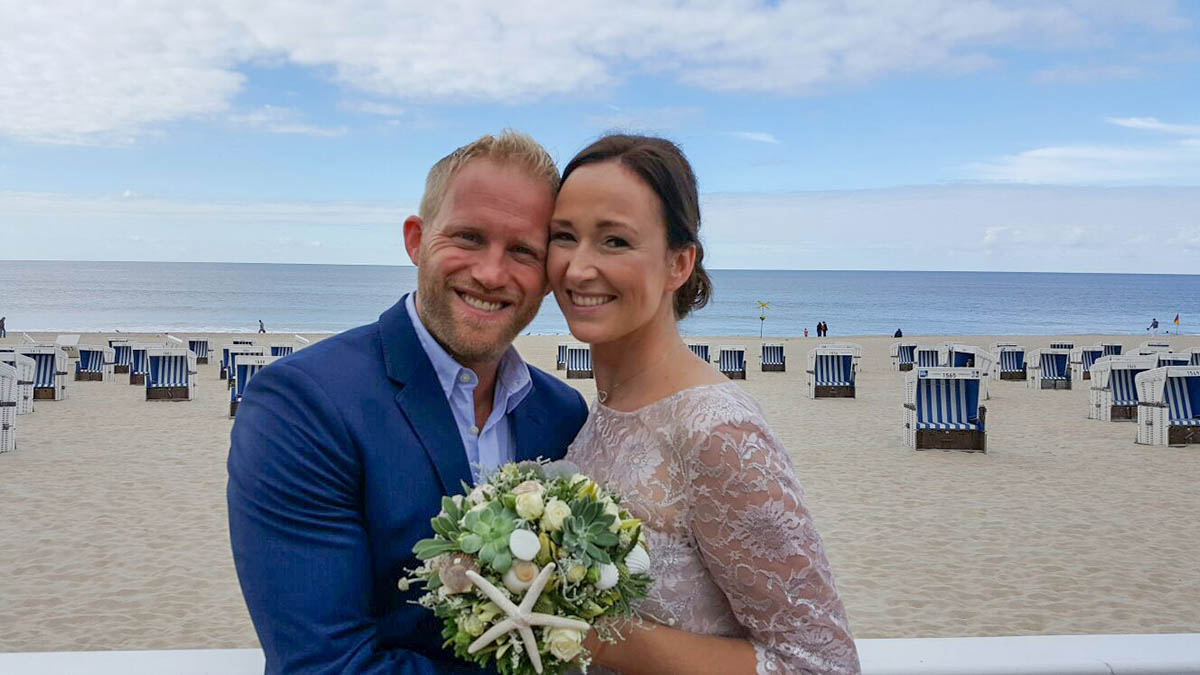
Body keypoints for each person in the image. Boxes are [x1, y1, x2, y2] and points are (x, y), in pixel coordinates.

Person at [226, 131, 588, 674]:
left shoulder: (562, 413)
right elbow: (323, 665)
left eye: (522, 250)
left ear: (548, 275)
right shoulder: (302, 404)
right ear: (416, 240)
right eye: (467, 237)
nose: (490, 273)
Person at [547, 134, 859, 673]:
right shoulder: (604, 407)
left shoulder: (716, 430)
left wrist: (593, 631)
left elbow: (821, 663)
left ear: (678, 264)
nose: (577, 269)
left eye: (615, 241)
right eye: (563, 237)